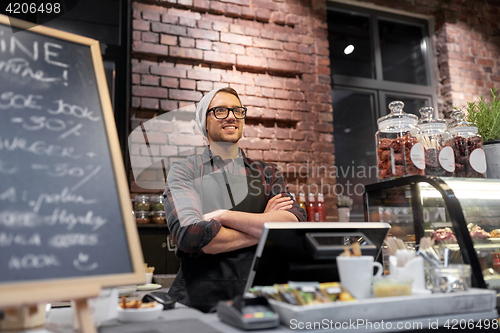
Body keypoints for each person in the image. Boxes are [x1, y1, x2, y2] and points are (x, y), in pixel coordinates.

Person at [164, 87, 306, 312]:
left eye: (237, 110)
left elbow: (294, 225)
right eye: (220, 110)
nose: (231, 116)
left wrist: (223, 216)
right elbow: (191, 235)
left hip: (261, 300)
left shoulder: (267, 172)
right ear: (205, 122)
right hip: (201, 302)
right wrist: (266, 226)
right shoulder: (185, 171)